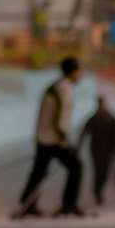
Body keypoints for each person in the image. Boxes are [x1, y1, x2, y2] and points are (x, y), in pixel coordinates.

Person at [12, 54, 85, 218]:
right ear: (73, 72)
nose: (80, 75)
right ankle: (69, 204)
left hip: (44, 137)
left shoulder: (57, 86)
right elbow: (60, 118)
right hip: (54, 139)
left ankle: (27, 204)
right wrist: (65, 140)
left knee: (39, 171)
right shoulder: (64, 89)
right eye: (79, 71)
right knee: (76, 167)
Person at [82, 96, 115, 209]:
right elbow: (84, 133)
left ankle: (98, 192)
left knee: (103, 172)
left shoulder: (107, 118)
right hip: (98, 150)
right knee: (100, 172)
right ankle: (97, 193)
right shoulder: (99, 118)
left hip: (105, 150)